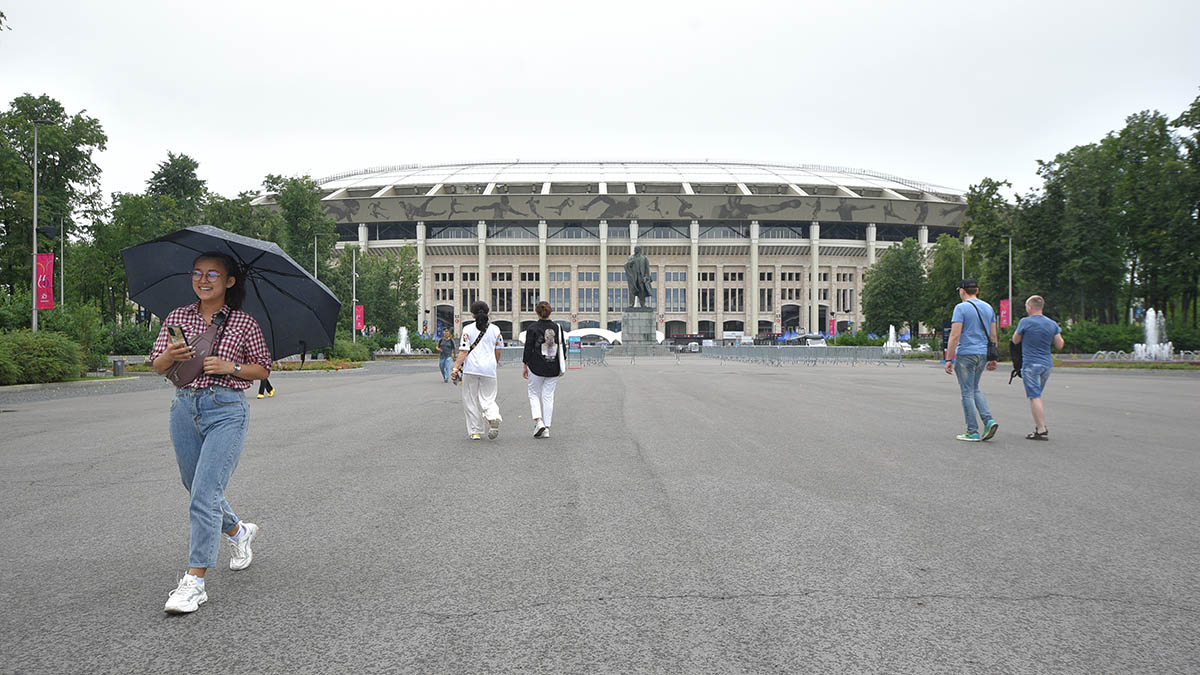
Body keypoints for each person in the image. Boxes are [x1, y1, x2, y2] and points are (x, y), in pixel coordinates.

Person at [148, 251, 273, 614]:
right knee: (195, 486)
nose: (203, 280)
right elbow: (157, 366)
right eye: (198, 273)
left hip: (226, 410)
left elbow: (262, 369)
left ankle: (194, 582)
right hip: (183, 408)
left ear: (229, 281)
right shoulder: (177, 317)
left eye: (213, 274)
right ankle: (238, 532)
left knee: (204, 493)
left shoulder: (243, 323)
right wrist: (172, 354)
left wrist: (231, 366)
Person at [943, 278, 999, 442]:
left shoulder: (961, 308)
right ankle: (988, 420)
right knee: (975, 389)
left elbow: (955, 335)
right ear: (977, 290)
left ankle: (972, 430)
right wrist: (993, 357)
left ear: (962, 290)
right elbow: (993, 334)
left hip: (966, 353)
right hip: (982, 353)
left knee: (967, 392)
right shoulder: (988, 308)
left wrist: (948, 358)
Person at [1012, 295, 1064, 440]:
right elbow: (1060, 345)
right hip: (1046, 365)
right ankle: (1039, 427)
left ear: (1030, 307)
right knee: (1037, 395)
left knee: (1034, 397)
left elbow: (1015, 340)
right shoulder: (1052, 324)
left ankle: (1041, 430)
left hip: (1030, 364)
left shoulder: (1025, 322)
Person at [451, 300, 504, 440]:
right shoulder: (495, 329)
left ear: (473, 314)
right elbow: (498, 350)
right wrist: (494, 363)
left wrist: (456, 368)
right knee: (488, 398)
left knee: (470, 400)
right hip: (489, 369)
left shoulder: (467, 329)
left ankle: (475, 431)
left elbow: (463, 351)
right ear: (487, 312)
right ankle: (493, 417)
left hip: (471, 369)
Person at [522, 301, 565, 438]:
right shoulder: (558, 327)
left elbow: (528, 348)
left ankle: (538, 421)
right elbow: (563, 346)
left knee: (533, 393)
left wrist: (525, 364)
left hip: (536, 366)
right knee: (548, 396)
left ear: (536, 312)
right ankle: (546, 427)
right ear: (550, 312)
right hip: (553, 366)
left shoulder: (532, 328)